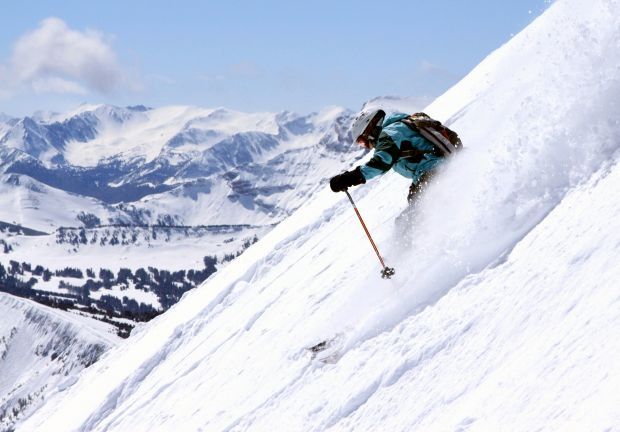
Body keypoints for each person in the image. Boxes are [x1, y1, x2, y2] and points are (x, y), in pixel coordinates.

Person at [329, 109, 446, 204]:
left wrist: (349, 178)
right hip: (431, 170)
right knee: (410, 216)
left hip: (434, 170)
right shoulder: (395, 128)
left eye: (362, 141)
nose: (366, 146)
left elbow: (380, 163)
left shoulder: (389, 133)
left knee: (413, 218)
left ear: (369, 130)